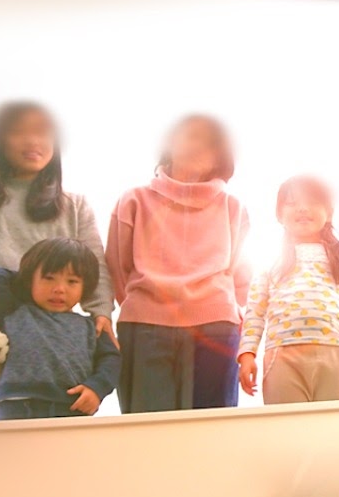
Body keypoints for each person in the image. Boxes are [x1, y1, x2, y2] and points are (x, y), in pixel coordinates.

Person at [0, 101, 114, 421]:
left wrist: (101, 313)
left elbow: (95, 265)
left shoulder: (74, 205)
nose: (34, 141)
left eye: (44, 132)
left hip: (54, 339)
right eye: (19, 131)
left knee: (52, 445)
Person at [106, 113, 250, 412]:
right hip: (144, 327)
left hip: (216, 328)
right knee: (148, 431)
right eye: (191, 136)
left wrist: (222, 310)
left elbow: (239, 274)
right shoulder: (133, 200)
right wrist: (147, 306)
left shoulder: (233, 207)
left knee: (212, 431)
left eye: (210, 143)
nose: (199, 147)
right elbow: (116, 267)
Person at [237, 175, 339, 404]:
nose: (302, 208)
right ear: (279, 214)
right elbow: (255, 311)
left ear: (329, 212)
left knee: (335, 422)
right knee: (287, 423)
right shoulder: (270, 258)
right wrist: (247, 354)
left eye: (312, 202)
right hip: (282, 355)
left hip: (336, 352)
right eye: (292, 203)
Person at [0, 240, 121, 421]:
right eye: (49, 278)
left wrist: (96, 388)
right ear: (29, 280)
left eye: (72, 281)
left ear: (86, 287)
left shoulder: (92, 326)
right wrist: (27, 277)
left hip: (71, 407)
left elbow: (111, 360)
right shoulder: (14, 311)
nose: (59, 289)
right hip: (14, 406)